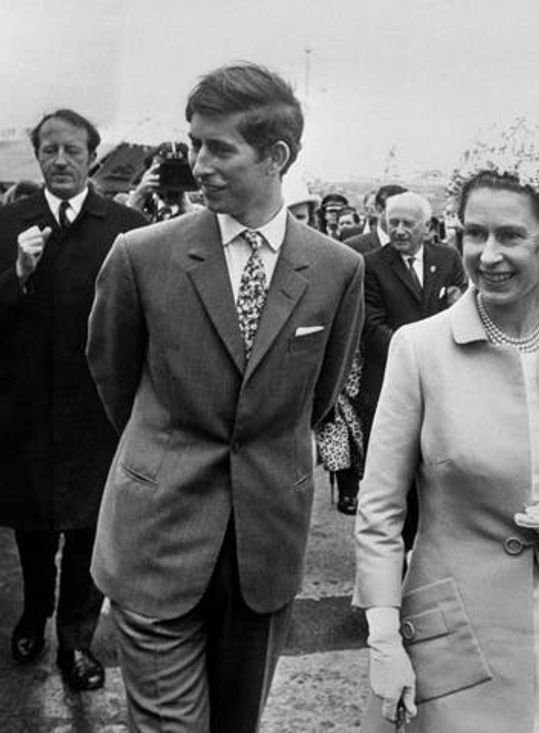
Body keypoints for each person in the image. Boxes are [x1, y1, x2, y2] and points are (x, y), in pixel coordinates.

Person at [86, 62, 364, 731]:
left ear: (276, 157)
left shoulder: (336, 269)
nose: (199, 163)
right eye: (194, 143)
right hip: (157, 536)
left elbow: (318, 398)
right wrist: (165, 449)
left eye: (219, 147)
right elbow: (112, 374)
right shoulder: (140, 255)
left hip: (264, 542)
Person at [354, 127, 539, 732]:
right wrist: (383, 635)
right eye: (474, 233)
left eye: (511, 235)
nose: (488, 255)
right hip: (456, 647)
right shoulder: (420, 349)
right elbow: (380, 511)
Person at [0, 109, 146, 691]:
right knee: (34, 529)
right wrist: (18, 271)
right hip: (27, 410)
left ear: (92, 157)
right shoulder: (10, 221)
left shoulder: (123, 226)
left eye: (72, 151)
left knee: (89, 531)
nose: (60, 161)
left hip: (96, 412)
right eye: (49, 151)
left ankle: (77, 641)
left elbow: (140, 319)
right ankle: (33, 614)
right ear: (38, 157)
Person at [360, 191, 467, 533]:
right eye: (393, 223)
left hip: (444, 383)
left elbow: (461, 310)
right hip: (391, 380)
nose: (400, 231)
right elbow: (372, 326)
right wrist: (417, 354)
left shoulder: (448, 258)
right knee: (396, 473)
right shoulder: (372, 265)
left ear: (426, 226)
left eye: (408, 223)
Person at [345, 184, 408, 255]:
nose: (402, 216)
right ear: (379, 210)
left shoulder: (416, 245)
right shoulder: (353, 247)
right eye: (395, 211)